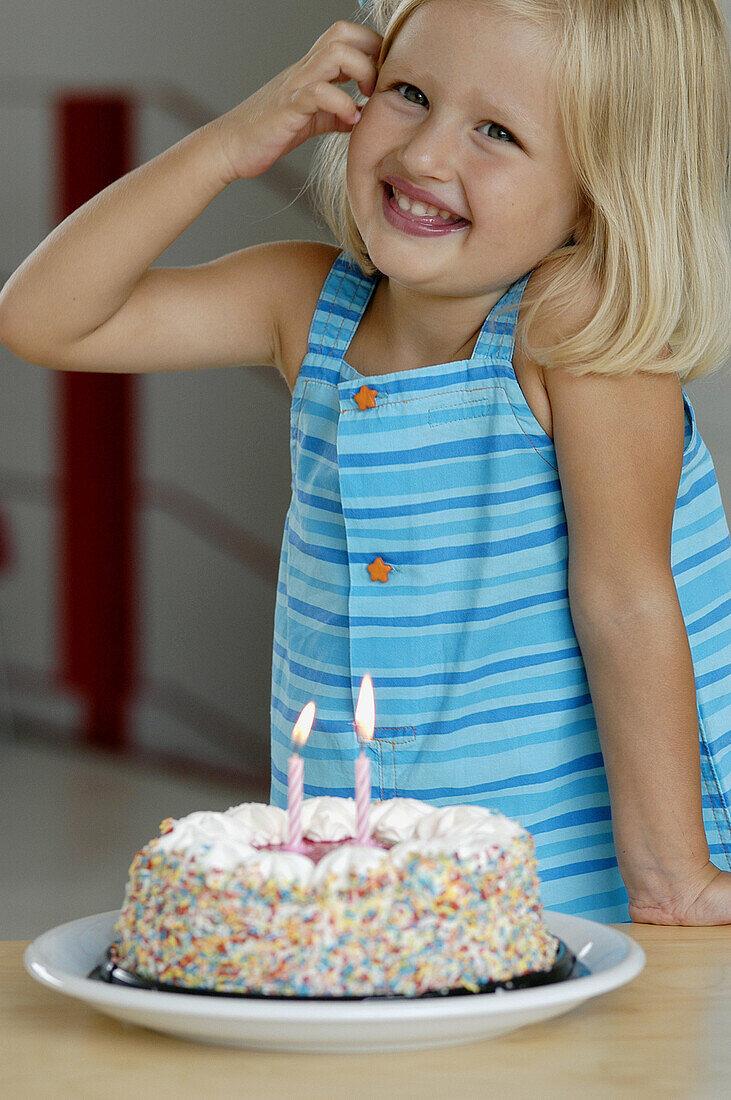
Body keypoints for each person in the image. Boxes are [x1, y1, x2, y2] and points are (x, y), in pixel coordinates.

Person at [0, 0, 729, 925]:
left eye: (496, 131)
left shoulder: (574, 335)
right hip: (370, 886)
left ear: (602, 185)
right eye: (409, 93)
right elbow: (43, 317)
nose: (425, 154)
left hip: (582, 879)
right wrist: (232, 142)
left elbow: (624, 598)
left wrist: (673, 877)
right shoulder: (305, 306)